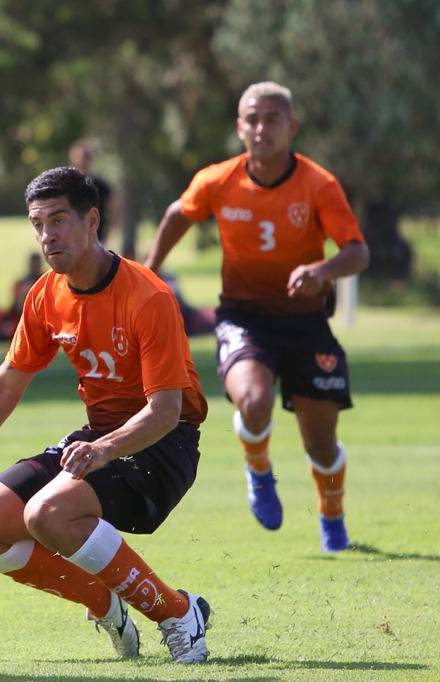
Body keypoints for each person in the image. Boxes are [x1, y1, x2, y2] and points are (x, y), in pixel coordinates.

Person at [0, 167, 213, 664]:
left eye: (58, 220)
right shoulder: (44, 295)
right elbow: (6, 384)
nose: (47, 236)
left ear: (92, 221)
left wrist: (101, 450)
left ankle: (177, 613)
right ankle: (103, 602)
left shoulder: (149, 296)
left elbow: (166, 411)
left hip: (162, 446)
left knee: (47, 513)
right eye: (38, 224)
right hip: (98, 439)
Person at [144, 82, 370, 553]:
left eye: (271, 119)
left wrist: (322, 270)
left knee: (321, 445)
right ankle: (259, 468)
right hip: (244, 318)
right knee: (253, 398)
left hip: (307, 322)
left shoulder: (318, 184)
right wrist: (150, 274)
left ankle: (332, 520)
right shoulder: (217, 180)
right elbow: (177, 214)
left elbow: (358, 252)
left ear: (291, 127)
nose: (261, 128)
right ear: (239, 128)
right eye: (252, 118)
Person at [69, 140, 114, 243]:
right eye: (81, 156)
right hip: (72, 238)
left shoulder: (101, 186)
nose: (84, 160)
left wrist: (109, 230)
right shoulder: (66, 185)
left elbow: (113, 209)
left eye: (87, 156)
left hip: (97, 237)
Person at [8, 252, 44, 321]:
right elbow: (15, 306)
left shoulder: (46, 282)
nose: (35, 267)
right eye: (34, 265)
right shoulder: (19, 284)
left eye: (37, 265)